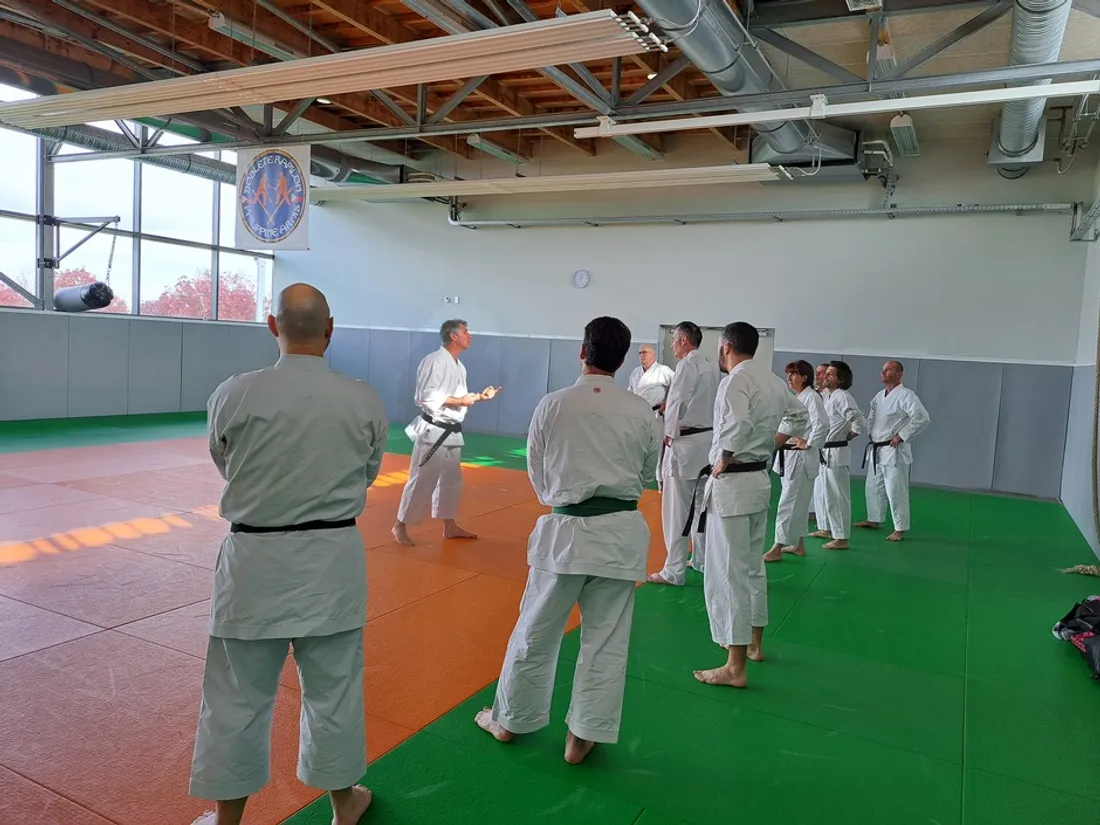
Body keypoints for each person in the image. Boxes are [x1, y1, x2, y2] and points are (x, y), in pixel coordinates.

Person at [189, 284, 388, 825]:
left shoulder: (234, 394)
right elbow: (368, 472)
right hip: (333, 560)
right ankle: (345, 804)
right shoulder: (362, 398)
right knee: (336, 690)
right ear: (330, 329)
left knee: (235, 697)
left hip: (254, 559)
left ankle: (227, 819)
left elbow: (224, 461)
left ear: (273, 327)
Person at [475, 316, 662, 764]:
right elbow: (647, 473)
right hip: (619, 536)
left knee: (535, 631)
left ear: (582, 352)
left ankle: (510, 719)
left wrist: (566, 494)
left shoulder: (552, 405)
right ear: (621, 360)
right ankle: (582, 736)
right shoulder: (641, 410)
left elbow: (539, 477)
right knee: (606, 639)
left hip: (565, 536)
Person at [689, 323, 808, 688]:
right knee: (752, 568)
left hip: (735, 485)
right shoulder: (773, 381)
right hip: (758, 482)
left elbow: (738, 421)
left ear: (725, 347)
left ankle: (734, 665)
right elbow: (800, 417)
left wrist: (724, 455)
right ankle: (754, 644)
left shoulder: (735, 381)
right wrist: (769, 443)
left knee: (729, 573)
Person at [392, 319, 501, 546]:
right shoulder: (434, 361)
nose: (469, 335)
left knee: (451, 481)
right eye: (465, 332)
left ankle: (449, 526)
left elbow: (456, 399)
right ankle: (399, 526)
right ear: (453, 336)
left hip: (452, 431)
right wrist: (461, 400)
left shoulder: (459, 365)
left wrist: (479, 397)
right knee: (421, 480)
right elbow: (426, 397)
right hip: (433, 431)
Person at [648, 321, 721, 586]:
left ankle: (673, 570)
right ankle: (701, 560)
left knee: (677, 510)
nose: (671, 345)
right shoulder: (712, 365)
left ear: (683, 340)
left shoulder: (687, 365)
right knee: (701, 508)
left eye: (674, 340)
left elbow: (678, 400)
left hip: (686, 443)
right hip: (707, 442)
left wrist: (669, 434)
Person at [855, 360, 931, 541]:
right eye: (882, 369)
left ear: (899, 374)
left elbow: (922, 418)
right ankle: (873, 519)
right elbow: (873, 415)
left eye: (888, 370)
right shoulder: (880, 396)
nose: (883, 372)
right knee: (873, 487)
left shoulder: (906, 395)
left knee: (895, 490)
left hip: (893, 449)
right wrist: (870, 431)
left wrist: (902, 435)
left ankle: (900, 528)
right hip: (876, 448)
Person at [763, 361, 828, 562]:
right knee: (797, 502)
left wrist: (809, 442)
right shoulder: (799, 397)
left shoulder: (811, 398)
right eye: (788, 374)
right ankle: (798, 544)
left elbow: (823, 424)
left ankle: (777, 547)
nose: (789, 378)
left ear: (805, 377)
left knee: (788, 502)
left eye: (793, 374)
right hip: (791, 457)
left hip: (799, 458)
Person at [810, 360, 866, 550]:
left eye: (830, 374)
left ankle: (841, 538)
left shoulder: (842, 396)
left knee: (838, 495)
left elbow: (857, 419)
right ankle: (826, 528)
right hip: (826, 450)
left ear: (841, 379)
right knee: (826, 493)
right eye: (826, 374)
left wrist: (850, 434)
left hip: (836, 450)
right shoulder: (830, 396)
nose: (826, 376)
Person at [810, 362, 832, 525]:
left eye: (822, 373)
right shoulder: (811, 394)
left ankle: (824, 518)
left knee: (824, 485)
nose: (818, 376)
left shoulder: (831, 396)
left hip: (823, 443)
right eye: (816, 373)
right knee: (812, 481)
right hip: (809, 443)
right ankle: (812, 512)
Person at [627, 343, 675, 410]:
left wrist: (668, 403)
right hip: (637, 410)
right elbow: (630, 391)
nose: (641, 355)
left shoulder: (663, 370)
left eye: (644, 352)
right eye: (640, 353)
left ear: (653, 355)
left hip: (655, 411)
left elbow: (677, 386)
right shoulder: (635, 372)